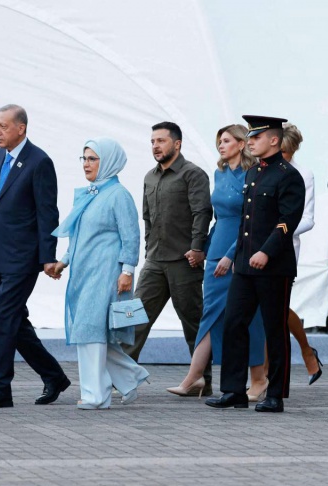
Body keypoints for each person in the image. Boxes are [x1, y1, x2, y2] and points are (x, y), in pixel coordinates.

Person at [0, 104, 71, 408]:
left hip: (23, 258)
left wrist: (48, 256)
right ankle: (54, 376)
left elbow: (47, 212)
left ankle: (0, 389)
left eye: (3, 126)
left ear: (21, 128)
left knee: (3, 318)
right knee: (15, 321)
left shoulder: (39, 162)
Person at [205, 115, 305, 413]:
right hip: (245, 265)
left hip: (273, 266)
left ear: (273, 140)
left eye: (256, 137)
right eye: (249, 137)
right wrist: (237, 256)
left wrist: (266, 252)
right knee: (234, 323)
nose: (250, 142)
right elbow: (245, 222)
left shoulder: (288, 175)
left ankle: (275, 394)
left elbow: (288, 221)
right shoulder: (252, 173)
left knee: (275, 329)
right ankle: (233, 391)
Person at [166, 124, 267, 399]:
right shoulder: (219, 173)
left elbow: (251, 221)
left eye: (226, 141)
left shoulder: (253, 174)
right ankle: (195, 376)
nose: (221, 146)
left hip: (241, 251)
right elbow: (218, 218)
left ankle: (259, 379)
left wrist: (231, 254)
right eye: (219, 141)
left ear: (241, 144)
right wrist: (203, 249)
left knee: (249, 315)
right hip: (216, 251)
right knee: (211, 314)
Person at [50, 138, 150, 409]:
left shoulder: (119, 195)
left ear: (108, 162)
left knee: (90, 330)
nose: (86, 164)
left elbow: (131, 236)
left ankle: (96, 395)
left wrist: (127, 271)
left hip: (107, 273)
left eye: (93, 159)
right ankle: (130, 377)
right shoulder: (90, 193)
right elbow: (79, 235)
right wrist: (63, 262)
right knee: (95, 331)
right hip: (84, 273)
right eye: (84, 158)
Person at [120, 122, 213, 394]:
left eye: (161, 141)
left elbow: (202, 213)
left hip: (185, 260)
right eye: (152, 141)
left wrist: (197, 248)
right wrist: (148, 249)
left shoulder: (193, 174)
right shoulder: (149, 177)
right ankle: (120, 377)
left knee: (192, 322)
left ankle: (201, 380)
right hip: (155, 260)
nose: (155, 146)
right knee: (133, 317)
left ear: (177, 144)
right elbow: (147, 217)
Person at [251, 122, 323, 387]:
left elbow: (307, 219)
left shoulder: (302, 174)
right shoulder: (258, 168)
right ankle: (302, 352)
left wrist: (274, 233)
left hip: (283, 247)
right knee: (267, 308)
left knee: (275, 308)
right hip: (254, 246)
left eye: (287, 153)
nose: (282, 157)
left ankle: (269, 372)